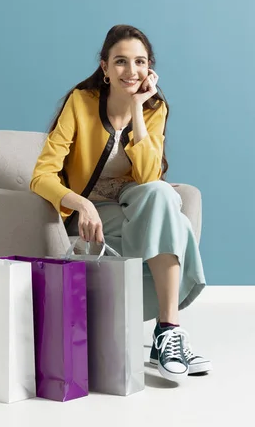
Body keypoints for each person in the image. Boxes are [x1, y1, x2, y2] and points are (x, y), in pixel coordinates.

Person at [30, 24, 211, 383]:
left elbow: (147, 177)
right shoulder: (80, 103)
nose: (131, 71)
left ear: (150, 69)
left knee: (162, 194)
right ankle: (166, 338)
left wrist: (138, 109)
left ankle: (168, 328)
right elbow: (42, 176)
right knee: (174, 223)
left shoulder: (155, 108)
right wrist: (81, 204)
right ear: (105, 68)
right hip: (89, 215)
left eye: (140, 62)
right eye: (121, 62)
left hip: (134, 207)